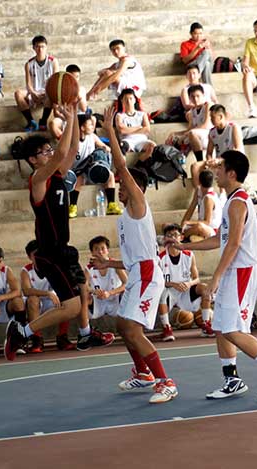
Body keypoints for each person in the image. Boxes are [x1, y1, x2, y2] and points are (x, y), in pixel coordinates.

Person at [170, 150, 257, 399]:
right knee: (220, 326)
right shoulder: (232, 201)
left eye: (220, 167)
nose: (215, 171)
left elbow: (234, 244)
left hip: (242, 271)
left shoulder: (237, 202)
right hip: (235, 271)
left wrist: (216, 277)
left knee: (232, 328)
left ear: (232, 173)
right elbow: (220, 239)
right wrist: (186, 246)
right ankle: (232, 379)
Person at [4, 103, 114, 361]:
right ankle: (22, 330)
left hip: (63, 249)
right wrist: (70, 120)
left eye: (49, 150)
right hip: (50, 252)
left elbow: (71, 149)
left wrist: (73, 119)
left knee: (82, 285)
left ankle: (86, 333)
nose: (50, 153)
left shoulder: (58, 175)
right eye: (44, 152)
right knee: (72, 306)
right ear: (33, 160)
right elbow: (62, 150)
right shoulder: (38, 180)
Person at [91, 106, 178, 404]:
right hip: (138, 272)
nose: (117, 183)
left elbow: (120, 164)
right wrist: (108, 263)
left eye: (122, 180)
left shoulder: (138, 203)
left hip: (147, 275)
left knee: (131, 327)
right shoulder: (124, 217)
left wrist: (110, 131)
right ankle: (143, 374)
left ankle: (166, 381)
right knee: (122, 326)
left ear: (134, 187)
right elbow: (131, 259)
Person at [157, 224, 215, 341]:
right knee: (161, 293)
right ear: (165, 239)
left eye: (175, 235)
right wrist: (174, 284)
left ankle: (206, 324)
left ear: (181, 237)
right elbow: (158, 281)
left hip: (186, 290)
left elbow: (196, 278)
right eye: (169, 235)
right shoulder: (161, 257)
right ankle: (167, 328)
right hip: (170, 291)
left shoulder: (189, 255)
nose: (173, 238)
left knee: (204, 288)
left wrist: (189, 284)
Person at [21, 239, 74, 353]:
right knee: (32, 300)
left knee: (68, 299)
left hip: (52, 301)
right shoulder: (26, 270)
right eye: (35, 254)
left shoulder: (52, 266)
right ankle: (37, 339)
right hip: (37, 303)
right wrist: (47, 293)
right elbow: (26, 290)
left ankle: (62, 337)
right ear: (30, 257)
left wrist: (54, 294)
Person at [68, 113, 122, 218]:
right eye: (90, 124)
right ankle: (73, 206)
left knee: (110, 175)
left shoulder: (92, 136)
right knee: (78, 178)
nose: (93, 127)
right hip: (77, 170)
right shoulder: (72, 140)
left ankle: (111, 204)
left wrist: (105, 148)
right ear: (82, 127)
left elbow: (104, 146)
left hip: (90, 169)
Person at [80, 236, 128, 342]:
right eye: (96, 249)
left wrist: (110, 293)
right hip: (98, 300)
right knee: (82, 298)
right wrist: (94, 291)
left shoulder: (115, 264)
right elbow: (85, 287)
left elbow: (126, 283)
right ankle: (85, 333)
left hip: (115, 298)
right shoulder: (89, 268)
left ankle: (129, 330)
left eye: (103, 248)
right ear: (92, 252)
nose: (100, 251)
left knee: (128, 294)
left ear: (107, 250)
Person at [14, 35, 58, 132]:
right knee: (18, 93)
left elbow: (55, 82)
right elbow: (28, 84)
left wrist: (46, 92)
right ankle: (31, 121)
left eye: (42, 46)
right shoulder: (29, 64)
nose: (40, 49)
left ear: (46, 47)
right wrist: (33, 93)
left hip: (47, 92)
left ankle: (43, 121)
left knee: (51, 95)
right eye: (37, 46)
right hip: (34, 91)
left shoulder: (53, 62)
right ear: (33, 48)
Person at [165, 85, 210, 162]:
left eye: (198, 96)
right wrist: (174, 133)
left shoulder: (208, 105)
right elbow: (189, 129)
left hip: (209, 136)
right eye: (192, 97)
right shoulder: (192, 111)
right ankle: (176, 162)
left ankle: (200, 160)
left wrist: (185, 135)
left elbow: (205, 125)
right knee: (176, 139)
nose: (195, 99)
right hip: (197, 136)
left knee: (191, 134)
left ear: (203, 95)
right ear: (189, 98)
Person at [48, 64, 90, 140]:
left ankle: (80, 141)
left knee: (92, 120)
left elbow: (84, 109)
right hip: (64, 117)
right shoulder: (60, 91)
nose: (75, 80)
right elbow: (56, 113)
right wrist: (67, 118)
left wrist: (78, 95)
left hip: (79, 117)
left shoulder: (81, 89)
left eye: (77, 77)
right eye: (73, 77)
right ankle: (65, 141)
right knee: (53, 124)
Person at [181, 169, 224, 240]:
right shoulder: (198, 190)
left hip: (212, 230)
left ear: (199, 181)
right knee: (167, 226)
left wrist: (188, 222)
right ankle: (185, 235)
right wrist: (183, 223)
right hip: (201, 225)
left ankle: (181, 237)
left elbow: (207, 222)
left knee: (198, 227)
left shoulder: (209, 198)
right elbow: (191, 207)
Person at [116, 88, 156, 159]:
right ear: (122, 101)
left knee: (153, 146)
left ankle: (140, 163)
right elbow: (122, 130)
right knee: (122, 146)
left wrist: (128, 130)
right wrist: (139, 128)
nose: (128, 101)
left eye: (131, 98)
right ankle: (123, 168)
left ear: (134, 100)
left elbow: (147, 129)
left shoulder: (142, 114)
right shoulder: (120, 115)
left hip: (141, 140)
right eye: (126, 99)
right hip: (127, 140)